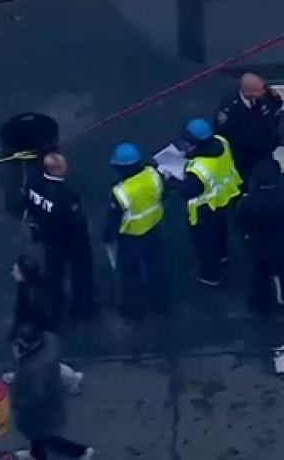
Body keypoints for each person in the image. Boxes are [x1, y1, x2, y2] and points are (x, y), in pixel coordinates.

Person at [170, 118, 243, 285]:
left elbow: (187, 191)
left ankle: (210, 275)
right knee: (221, 231)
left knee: (205, 244)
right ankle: (223, 256)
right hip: (224, 199)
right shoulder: (221, 142)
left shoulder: (199, 169)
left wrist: (171, 181)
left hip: (205, 210)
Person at [102, 143, 169, 319]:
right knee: (156, 268)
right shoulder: (154, 175)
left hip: (131, 238)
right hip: (154, 229)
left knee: (130, 275)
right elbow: (164, 193)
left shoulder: (120, 192)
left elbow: (114, 220)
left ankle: (132, 311)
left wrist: (108, 236)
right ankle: (161, 304)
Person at [25, 152, 95, 319]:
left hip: (48, 238)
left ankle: (55, 308)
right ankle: (82, 309)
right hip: (69, 242)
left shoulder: (34, 184)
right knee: (81, 273)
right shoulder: (66, 198)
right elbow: (76, 224)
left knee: (54, 275)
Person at [10, 322, 95, 459]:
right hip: (52, 398)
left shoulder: (32, 369)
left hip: (39, 410)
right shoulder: (48, 344)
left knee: (45, 436)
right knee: (38, 435)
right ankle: (37, 454)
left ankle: (79, 451)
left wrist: (18, 402)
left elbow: (33, 395)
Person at [10, 254, 84, 393]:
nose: (13, 272)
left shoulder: (30, 295)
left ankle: (70, 378)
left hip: (36, 333)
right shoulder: (31, 288)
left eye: (16, 269)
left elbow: (31, 316)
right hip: (36, 332)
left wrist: (22, 334)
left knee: (41, 362)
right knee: (34, 360)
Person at [214, 72, 283, 188]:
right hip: (243, 156)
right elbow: (222, 133)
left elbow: (276, 106)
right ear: (248, 92)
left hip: (265, 150)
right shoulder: (230, 108)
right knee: (245, 182)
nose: (264, 92)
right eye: (259, 90)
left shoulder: (268, 95)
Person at [237, 158, 284, 315]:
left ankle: (262, 306)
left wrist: (246, 237)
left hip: (262, 246)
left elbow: (242, 222)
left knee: (261, 277)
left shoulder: (250, 202)